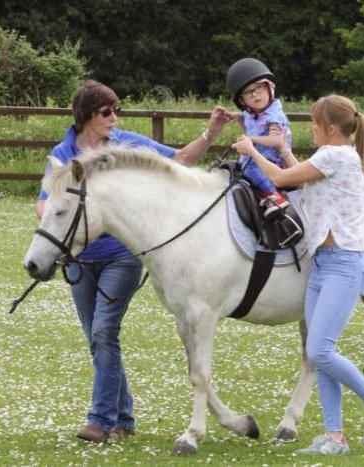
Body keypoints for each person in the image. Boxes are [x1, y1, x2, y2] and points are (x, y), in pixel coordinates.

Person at [35, 80, 230, 443]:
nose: (114, 117)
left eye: (116, 110)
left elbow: (179, 160)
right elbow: (45, 203)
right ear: (87, 115)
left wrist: (210, 132)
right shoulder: (62, 153)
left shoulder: (124, 146)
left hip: (120, 257)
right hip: (78, 259)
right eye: (107, 112)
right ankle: (124, 419)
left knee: (104, 332)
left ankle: (100, 419)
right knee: (98, 340)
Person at [232, 94, 364, 456]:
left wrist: (251, 149)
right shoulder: (335, 157)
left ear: (331, 129)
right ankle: (334, 437)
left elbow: (277, 176)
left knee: (320, 349)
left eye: (315, 124)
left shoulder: (335, 155)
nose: (312, 129)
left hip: (344, 264)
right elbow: (303, 176)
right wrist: (282, 148)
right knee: (319, 350)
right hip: (323, 263)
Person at [226, 57, 293, 218]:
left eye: (259, 88)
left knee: (250, 169)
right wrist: (236, 117)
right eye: (249, 93)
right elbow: (249, 125)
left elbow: (277, 141)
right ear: (242, 100)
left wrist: (252, 140)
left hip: (273, 161)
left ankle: (274, 195)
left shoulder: (274, 115)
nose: (255, 94)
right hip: (256, 157)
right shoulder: (252, 113)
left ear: (270, 88)